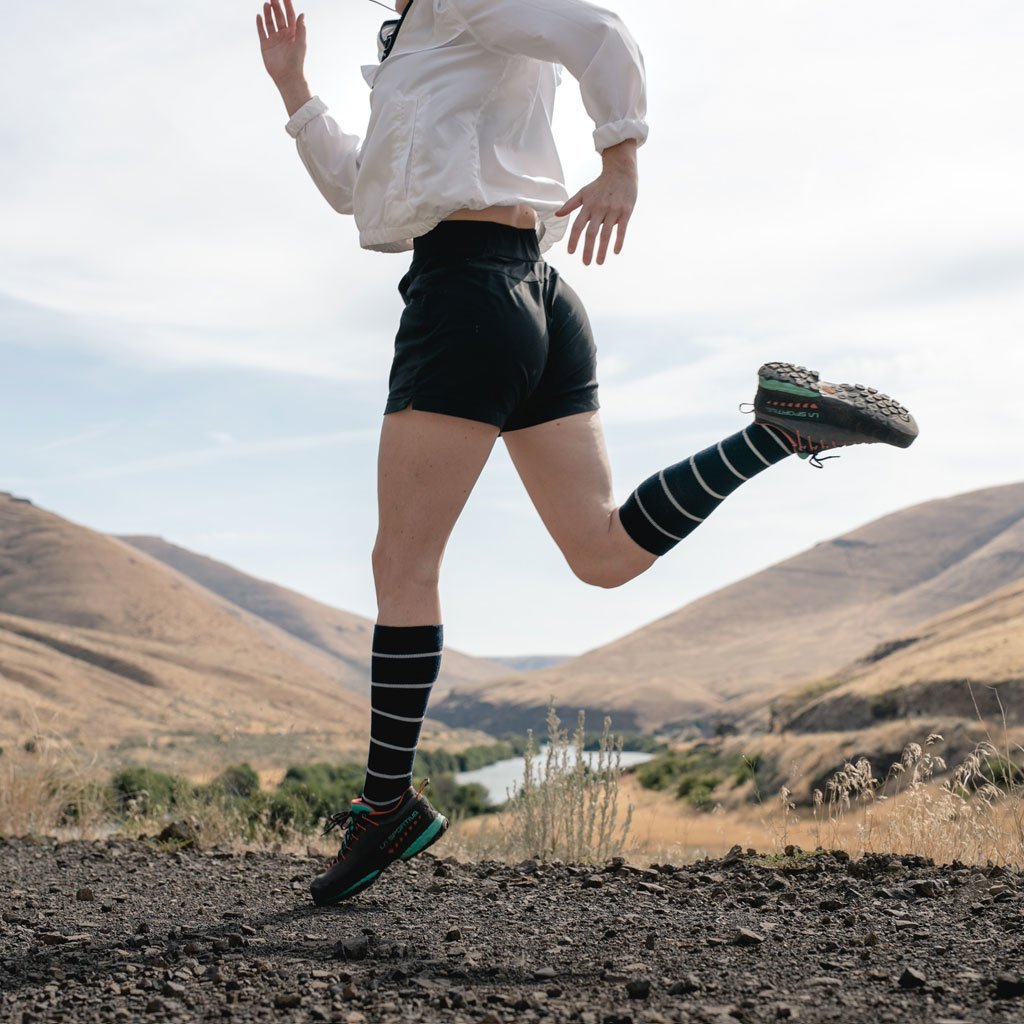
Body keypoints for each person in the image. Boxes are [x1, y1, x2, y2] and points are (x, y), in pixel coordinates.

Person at [256, 0, 918, 906]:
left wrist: (621, 159)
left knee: (402, 565)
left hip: (466, 298)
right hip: (538, 297)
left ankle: (385, 808)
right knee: (602, 553)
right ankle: (776, 433)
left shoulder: (460, 3)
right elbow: (360, 189)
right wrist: (296, 91)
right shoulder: (420, 39)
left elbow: (598, 33)